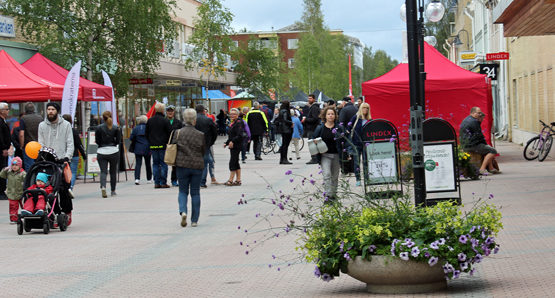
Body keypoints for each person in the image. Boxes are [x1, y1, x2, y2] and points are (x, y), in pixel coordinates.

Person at [38, 102, 74, 223]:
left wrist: (67, 157)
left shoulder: (66, 125)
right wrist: (43, 154)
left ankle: (67, 212)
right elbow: (40, 142)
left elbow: (70, 142)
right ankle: (54, 213)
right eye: (48, 109)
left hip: (62, 161)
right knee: (49, 189)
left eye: (53, 109)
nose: (50, 111)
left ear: (57, 111)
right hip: (48, 161)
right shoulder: (42, 125)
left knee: (64, 190)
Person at [171, 108, 206, 227]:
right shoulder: (200, 135)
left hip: (182, 165)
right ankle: (194, 220)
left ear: (184, 119)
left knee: (182, 191)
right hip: (197, 165)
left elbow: (173, 147)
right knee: (195, 193)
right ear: (195, 120)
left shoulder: (178, 133)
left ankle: (183, 211)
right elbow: (203, 150)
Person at [312, 106, 349, 202]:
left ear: (335, 115)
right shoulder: (320, 128)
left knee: (335, 176)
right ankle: (328, 196)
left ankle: (334, 194)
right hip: (325, 155)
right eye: (328, 114)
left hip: (337, 155)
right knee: (327, 174)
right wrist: (315, 141)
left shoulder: (340, 128)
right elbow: (313, 138)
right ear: (325, 116)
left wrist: (348, 152)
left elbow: (346, 140)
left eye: (332, 114)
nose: (330, 116)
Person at [459, 107, 501, 175]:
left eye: (480, 113)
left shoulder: (467, 119)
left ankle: (491, 168)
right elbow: (479, 136)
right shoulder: (474, 122)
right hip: (471, 145)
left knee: (488, 149)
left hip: (467, 144)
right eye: (479, 113)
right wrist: (485, 144)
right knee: (493, 151)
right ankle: (482, 169)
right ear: (473, 113)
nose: (480, 114)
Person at [145, 103, 172, 188]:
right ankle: (163, 182)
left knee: (155, 164)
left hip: (153, 145)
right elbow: (170, 133)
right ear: (163, 110)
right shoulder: (165, 121)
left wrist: (150, 141)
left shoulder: (150, 120)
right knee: (163, 163)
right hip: (163, 145)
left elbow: (146, 133)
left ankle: (156, 182)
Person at [95, 111, 121, 198]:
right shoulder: (116, 128)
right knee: (113, 171)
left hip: (101, 151)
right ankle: (113, 190)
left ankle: (103, 187)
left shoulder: (98, 127)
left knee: (103, 171)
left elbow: (97, 141)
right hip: (113, 151)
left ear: (103, 117)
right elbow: (118, 141)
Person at [194, 105, 218, 189]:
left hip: (194, 144)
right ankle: (202, 182)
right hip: (206, 144)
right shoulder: (208, 120)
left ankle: (196, 181)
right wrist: (211, 142)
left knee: (196, 163)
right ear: (204, 111)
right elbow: (214, 132)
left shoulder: (193, 120)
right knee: (204, 162)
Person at [62, 115, 87, 193]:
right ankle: (70, 187)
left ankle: (65, 188)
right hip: (74, 154)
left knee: (63, 172)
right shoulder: (74, 131)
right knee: (72, 172)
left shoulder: (61, 131)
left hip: (63, 155)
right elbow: (79, 144)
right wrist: (84, 155)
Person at [348, 102, 372, 186]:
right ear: (360, 109)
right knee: (356, 162)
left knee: (366, 162)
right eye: (364, 108)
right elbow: (349, 128)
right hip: (356, 143)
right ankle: (358, 179)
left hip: (366, 143)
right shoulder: (356, 118)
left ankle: (366, 179)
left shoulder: (370, 120)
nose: (365, 109)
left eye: (367, 108)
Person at [0, 157, 26, 224]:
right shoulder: (9, 173)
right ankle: (14, 219)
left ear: (20, 166)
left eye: (16, 165)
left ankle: (27, 217)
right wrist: (5, 170)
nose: (14, 167)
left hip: (21, 193)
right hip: (12, 193)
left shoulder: (22, 173)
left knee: (25, 206)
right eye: (13, 165)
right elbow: (2, 175)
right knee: (13, 207)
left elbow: (26, 180)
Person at [19, 103, 43, 172]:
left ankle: (29, 182)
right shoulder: (40, 118)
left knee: (29, 167)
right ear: (34, 109)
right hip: (38, 146)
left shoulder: (23, 119)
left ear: (25, 110)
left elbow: (21, 134)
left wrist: (22, 146)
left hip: (28, 146)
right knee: (38, 166)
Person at [223, 108, 244, 186]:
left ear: (237, 115)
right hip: (233, 145)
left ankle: (230, 180)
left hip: (237, 145)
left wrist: (232, 141)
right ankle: (238, 180)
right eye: (230, 114)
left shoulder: (239, 123)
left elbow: (239, 135)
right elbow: (231, 135)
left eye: (233, 114)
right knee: (236, 162)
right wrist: (227, 143)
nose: (232, 115)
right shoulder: (233, 123)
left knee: (233, 162)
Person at [130, 115, 153, 185]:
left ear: (139, 121)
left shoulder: (135, 129)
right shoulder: (149, 128)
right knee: (148, 164)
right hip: (147, 148)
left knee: (138, 163)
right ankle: (149, 178)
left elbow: (131, 138)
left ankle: (137, 179)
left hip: (138, 148)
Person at [166, 105, 183, 187]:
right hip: (165, 144)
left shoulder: (178, 122)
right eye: (168, 111)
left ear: (174, 112)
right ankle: (162, 180)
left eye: (171, 111)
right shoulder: (164, 121)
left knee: (175, 164)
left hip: (175, 145)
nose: (170, 112)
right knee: (164, 163)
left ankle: (174, 179)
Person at [305, 94, 321, 165]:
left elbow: (315, 118)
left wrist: (306, 119)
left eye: (310, 98)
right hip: (312, 128)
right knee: (313, 143)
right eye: (308, 98)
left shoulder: (314, 108)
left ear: (314, 99)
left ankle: (314, 158)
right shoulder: (312, 107)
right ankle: (315, 157)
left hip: (313, 128)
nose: (309, 100)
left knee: (312, 144)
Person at [277, 100, 294, 165]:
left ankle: (282, 159)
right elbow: (285, 120)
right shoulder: (285, 111)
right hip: (287, 130)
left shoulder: (281, 111)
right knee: (285, 145)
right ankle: (284, 159)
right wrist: (291, 122)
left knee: (284, 144)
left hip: (283, 129)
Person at [0, 103, 10, 200]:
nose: (8, 111)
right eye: (7, 109)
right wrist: (3, 147)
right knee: (2, 169)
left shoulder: (3, 121)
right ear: (2, 110)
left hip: (4, 148)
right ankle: (1, 191)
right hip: (1, 150)